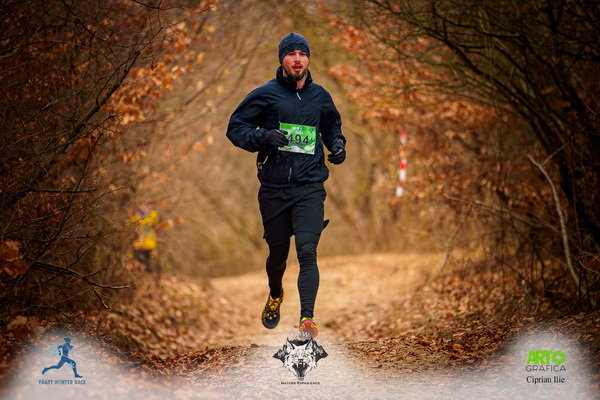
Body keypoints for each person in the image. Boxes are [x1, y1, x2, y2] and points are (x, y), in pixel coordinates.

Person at [226, 32, 347, 338]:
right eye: (291, 54)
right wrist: (263, 137)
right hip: (274, 189)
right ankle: (275, 293)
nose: (297, 59)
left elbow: (332, 125)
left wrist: (337, 144)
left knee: (307, 251)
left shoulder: (320, 95)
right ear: (282, 59)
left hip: (310, 186)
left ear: (308, 59)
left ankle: (307, 319)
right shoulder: (265, 94)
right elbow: (235, 128)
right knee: (278, 256)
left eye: (302, 54)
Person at [130, 201, 159, 270]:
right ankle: (140, 269)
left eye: (146, 205)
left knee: (148, 258)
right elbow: (131, 222)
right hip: (140, 242)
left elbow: (156, 224)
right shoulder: (137, 215)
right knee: (140, 258)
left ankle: (147, 269)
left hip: (150, 242)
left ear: (149, 206)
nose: (144, 207)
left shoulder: (153, 214)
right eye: (142, 205)